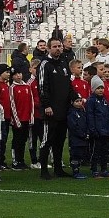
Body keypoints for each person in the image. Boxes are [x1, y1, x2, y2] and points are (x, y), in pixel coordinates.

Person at [37, 37, 74, 179]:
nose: (58, 48)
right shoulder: (45, 64)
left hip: (63, 109)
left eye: (59, 46)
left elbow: (68, 85)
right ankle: (44, 170)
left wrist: (74, 98)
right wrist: (46, 105)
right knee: (47, 140)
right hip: (50, 109)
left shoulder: (64, 63)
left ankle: (58, 169)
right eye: (54, 46)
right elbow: (42, 86)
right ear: (48, 48)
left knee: (59, 140)